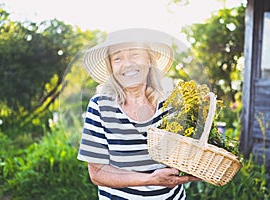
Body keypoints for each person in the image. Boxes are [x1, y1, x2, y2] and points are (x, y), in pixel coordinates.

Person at [77, 28, 200, 200]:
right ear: (111, 67)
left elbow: (185, 152)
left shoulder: (171, 101)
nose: (127, 64)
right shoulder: (100, 106)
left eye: (135, 54)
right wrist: (150, 179)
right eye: (118, 58)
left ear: (149, 59)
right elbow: (97, 173)